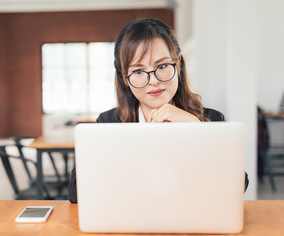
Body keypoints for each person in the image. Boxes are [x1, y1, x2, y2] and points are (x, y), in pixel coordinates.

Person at [68, 18, 249, 203]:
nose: (153, 80)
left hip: (190, 221)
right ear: (125, 78)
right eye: (138, 71)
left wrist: (196, 128)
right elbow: (75, 194)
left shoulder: (211, 119)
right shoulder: (109, 122)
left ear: (178, 64)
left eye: (162, 66)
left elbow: (238, 185)